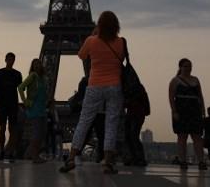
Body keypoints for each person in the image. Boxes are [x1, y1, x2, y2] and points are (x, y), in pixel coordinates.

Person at [60, 11, 126, 175]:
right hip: (114, 86)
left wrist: (94, 35)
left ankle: (71, 158)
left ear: (99, 25)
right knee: (111, 124)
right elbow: (122, 59)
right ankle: (108, 162)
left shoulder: (91, 40)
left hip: (95, 85)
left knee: (84, 122)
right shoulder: (120, 42)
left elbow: (81, 55)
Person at [169, 58, 207, 170]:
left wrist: (203, 110)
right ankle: (182, 161)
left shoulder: (196, 80)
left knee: (197, 136)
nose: (188, 68)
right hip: (181, 110)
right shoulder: (175, 81)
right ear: (180, 67)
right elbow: (171, 97)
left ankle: (201, 161)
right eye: (185, 66)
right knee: (182, 136)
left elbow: (200, 95)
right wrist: (174, 111)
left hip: (195, 109)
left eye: (190, 66)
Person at [0, 52, 23, 161]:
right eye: (9, 59)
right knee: (3, 128)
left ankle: (10, 151)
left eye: (12, 59)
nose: (11, 61)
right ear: (6, 60)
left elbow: (21, 89)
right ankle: (3, 150)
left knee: (11, 129)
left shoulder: (17, 74)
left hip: (12, 104)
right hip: (3, 104)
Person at [18, 58, 49, 164]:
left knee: (42, 133)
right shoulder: (33, 76)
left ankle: (29, 154)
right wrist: (25, 101)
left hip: (42, 108)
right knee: (37, 133)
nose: (37, 66)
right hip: (35, 108)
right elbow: (21, 87)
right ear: (32, 66)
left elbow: (44, 93)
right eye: (35, 65)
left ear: (41, 66)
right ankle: (35, 156)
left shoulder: (44, 78)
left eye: (38, 64)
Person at [124, 83, 150, 167]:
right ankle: (136, 158)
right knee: (130, 136)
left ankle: (138, 158)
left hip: (136, 114)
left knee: (133, 135)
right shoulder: (137, 86)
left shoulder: (134, 87)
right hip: (134, 114)